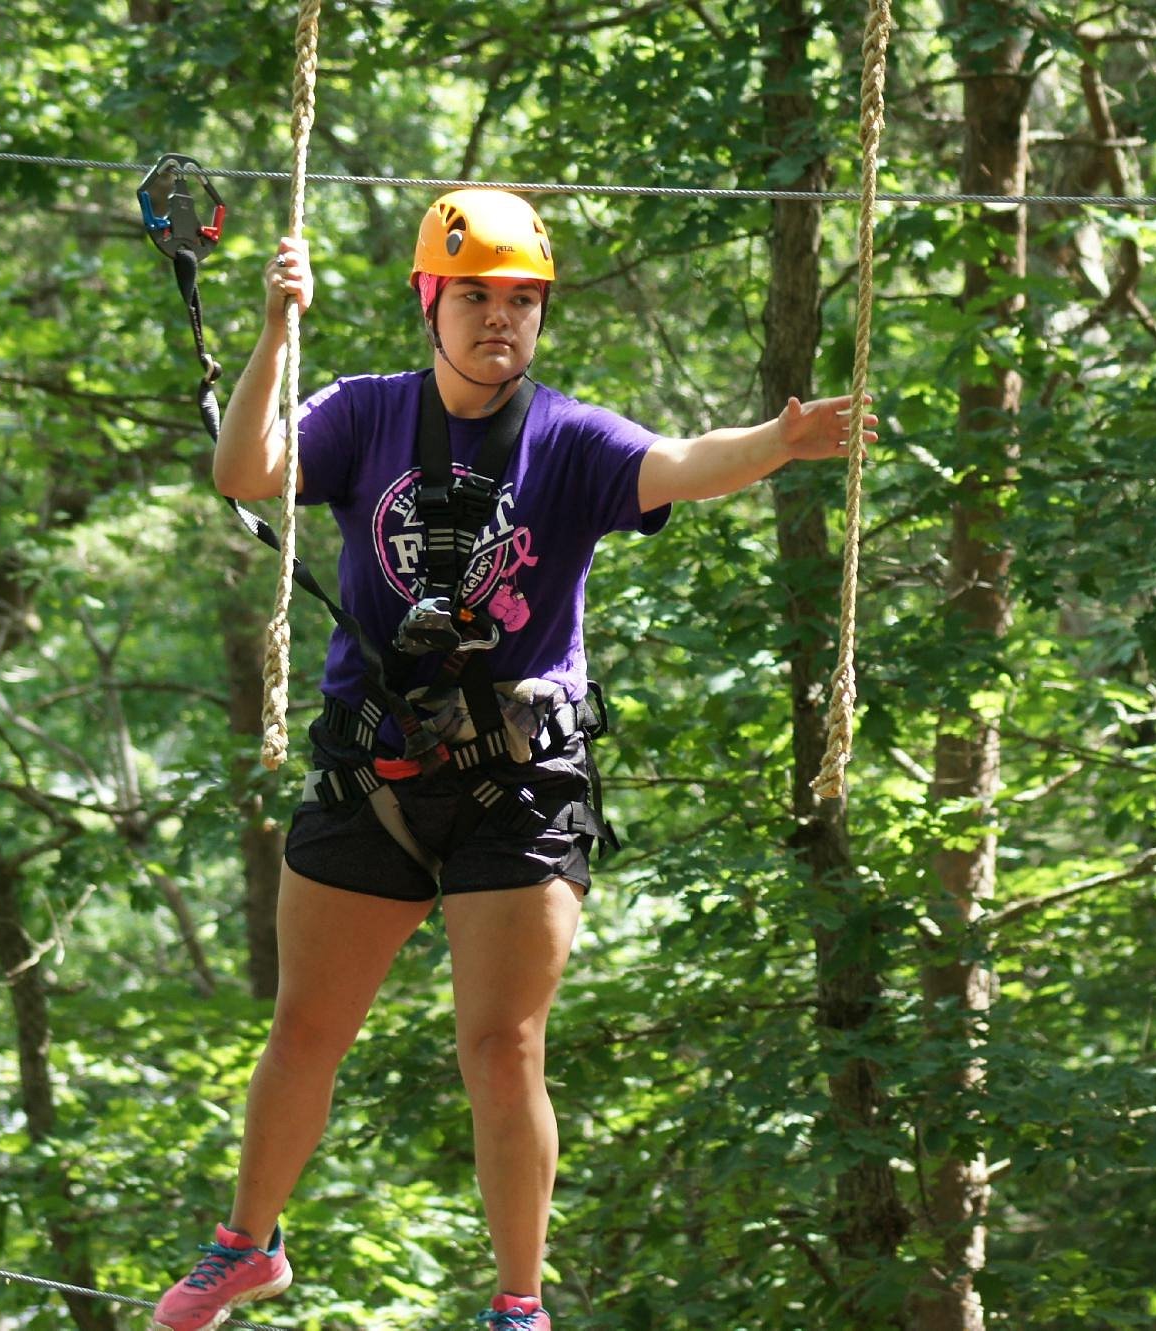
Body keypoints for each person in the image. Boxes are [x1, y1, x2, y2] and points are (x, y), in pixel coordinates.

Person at [151, 189, 874, 1331]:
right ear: (432, 304)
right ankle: (246, 1242)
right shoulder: (365, 414)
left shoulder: (572, 440)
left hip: (519, 784)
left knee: (502, 1044)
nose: (502, 318)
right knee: (304, 1027)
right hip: (373, 768)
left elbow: (683, 461)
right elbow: (246, 471)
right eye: (478, 296)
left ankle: (518, 1304)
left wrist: (778, 443)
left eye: (523, 300)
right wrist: (278, 332)